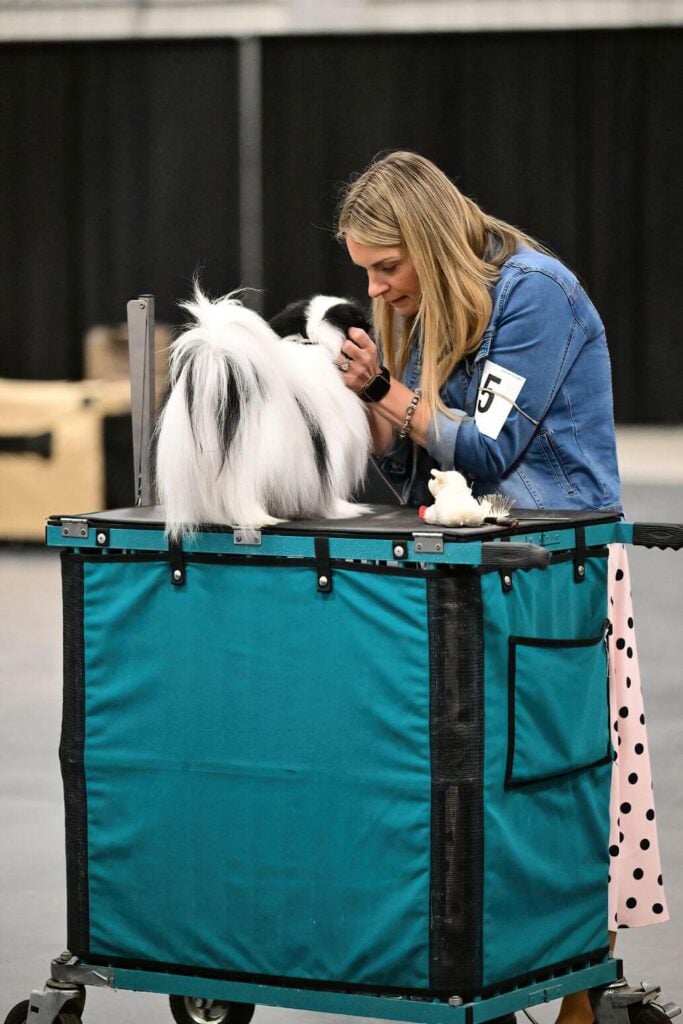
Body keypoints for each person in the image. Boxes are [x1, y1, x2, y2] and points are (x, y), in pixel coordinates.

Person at [334, 150, 669, 1024]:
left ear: (427, 238)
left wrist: (383, 391)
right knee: (484, 781)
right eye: (363, 273)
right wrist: (370, 420)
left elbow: (486, 453)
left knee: (552, 775)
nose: (377, 288)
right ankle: (527, 972)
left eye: (385, 267)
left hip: (557, 568)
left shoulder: (535, 294)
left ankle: (576, 979)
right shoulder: (427, 310)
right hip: (479, 570)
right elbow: (420, 480)